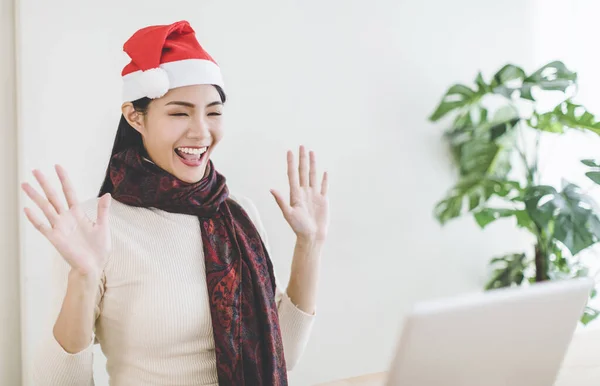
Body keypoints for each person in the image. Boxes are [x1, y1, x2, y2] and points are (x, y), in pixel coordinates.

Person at [23, 20, 329, 386]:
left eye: (213, 112)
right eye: (179, 112)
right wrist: (84, 278)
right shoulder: (92, 227)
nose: (201, 131)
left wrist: (309, 245)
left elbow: (286, 352)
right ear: (136, 117)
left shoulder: (236, 213)